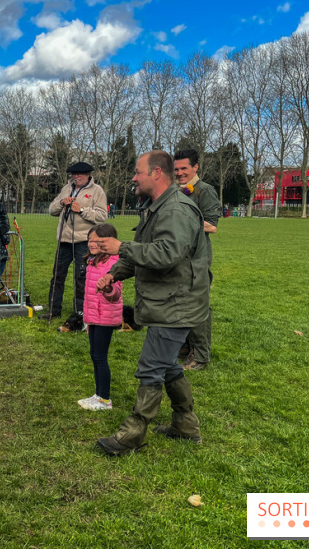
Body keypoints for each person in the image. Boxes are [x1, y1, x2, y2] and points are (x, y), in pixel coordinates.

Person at [93, 151, 209, 456]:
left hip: (177, 304)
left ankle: (132, 434)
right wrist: (114, 274)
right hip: (166, 301)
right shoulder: (157, 208)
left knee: (151, 368)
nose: (133, 177)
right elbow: (145, 253)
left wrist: (122, 247)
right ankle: (186, 426)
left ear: (157, 173)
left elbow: (167, 254)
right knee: (167, 364)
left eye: (137, 171)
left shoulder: (177, 209)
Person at [173, 149, 220, 371]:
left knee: (198, 306)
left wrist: (182, 223)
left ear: (195, 168)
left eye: (184, 168)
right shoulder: (175, 190)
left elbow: (212, 225)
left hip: (197, 259)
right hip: (177, 256)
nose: (180, 173)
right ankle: (184, 347)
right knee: (179, 302)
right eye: (176, 169)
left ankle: (200, 356)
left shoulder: (205, 191)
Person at [46, 161, 108, 332]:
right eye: (73, 174)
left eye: (79, 174)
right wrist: (61, 203)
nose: (76, 177)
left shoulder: (97, 191)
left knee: (81, 278)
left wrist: (81, 211)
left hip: (83, 241)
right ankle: (53, 309)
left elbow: (102, 216)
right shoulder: (66, 189)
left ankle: (80, 312)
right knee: (57, 276)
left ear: (88, 175)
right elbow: (52, 210)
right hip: (64, 241)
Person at [77, 223, 123, 411]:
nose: (92, 244)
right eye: (90, 240)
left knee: (100, 357)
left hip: (105, 317)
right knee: (95, 355)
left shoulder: (114, 263)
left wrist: (108, 289)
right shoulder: (92, 261)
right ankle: (98, 395)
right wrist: (88, 320)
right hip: (94, 318)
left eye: (97, 241)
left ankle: (104, 399)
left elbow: (116, 294)